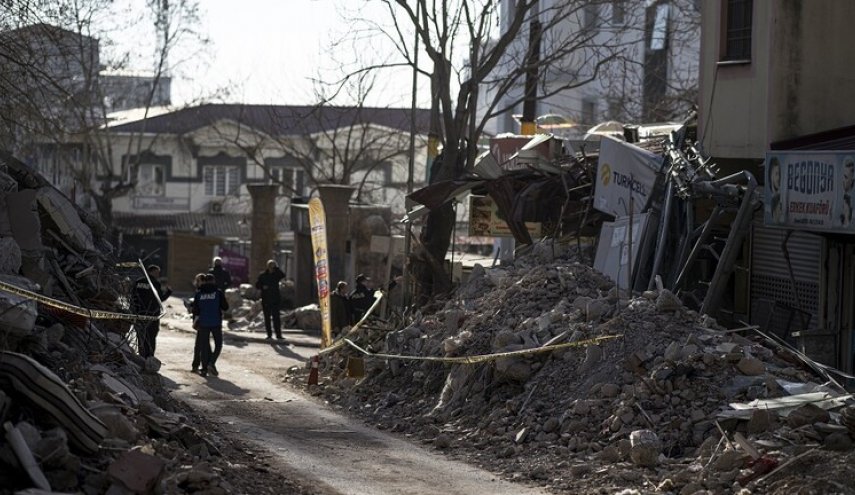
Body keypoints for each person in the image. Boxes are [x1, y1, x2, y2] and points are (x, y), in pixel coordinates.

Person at [131, 265, 172, 358]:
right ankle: (149, 357)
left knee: (141, 337)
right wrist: (169, 292)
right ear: (152, 272)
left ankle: (142, 356)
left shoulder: (138, 282)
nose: (158, 275)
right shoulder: (155, 283)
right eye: (157, 272)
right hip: (152, 315)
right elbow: (160, 299)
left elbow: (132, 297)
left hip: (139, 314)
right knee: (151, 336)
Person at [193, 273, 228, 377]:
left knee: (204, 347)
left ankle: (204, 370)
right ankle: (211, 362)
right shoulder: (218, 293)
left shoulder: (199, 293)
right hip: (216, 322)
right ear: (213, 281)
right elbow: (225, 307)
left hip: (203, 323)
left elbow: (196, 310)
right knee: (218, 344)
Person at [255, 259, 286, 339]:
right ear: (268, 267)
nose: (272, 268)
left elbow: (283, 275)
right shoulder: (263, 275)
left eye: (273, 266)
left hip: (275, 299)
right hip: (266, 299)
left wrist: (277, 268)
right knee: (267, 318)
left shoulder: (276, 275)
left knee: (276, 318)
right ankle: (269, 334)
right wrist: (263, 287)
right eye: (271, 266)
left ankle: (278, 335)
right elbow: (257, 285)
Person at [188, 272, 207, 373]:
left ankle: (199, 365)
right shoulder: (200, 291)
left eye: (198, 281)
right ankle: (200, 365)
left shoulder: (202, 292)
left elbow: (198, 308)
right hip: (202, 320)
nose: (197, 283)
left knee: (200, 344)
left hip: (202, 320)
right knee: (201, 344)